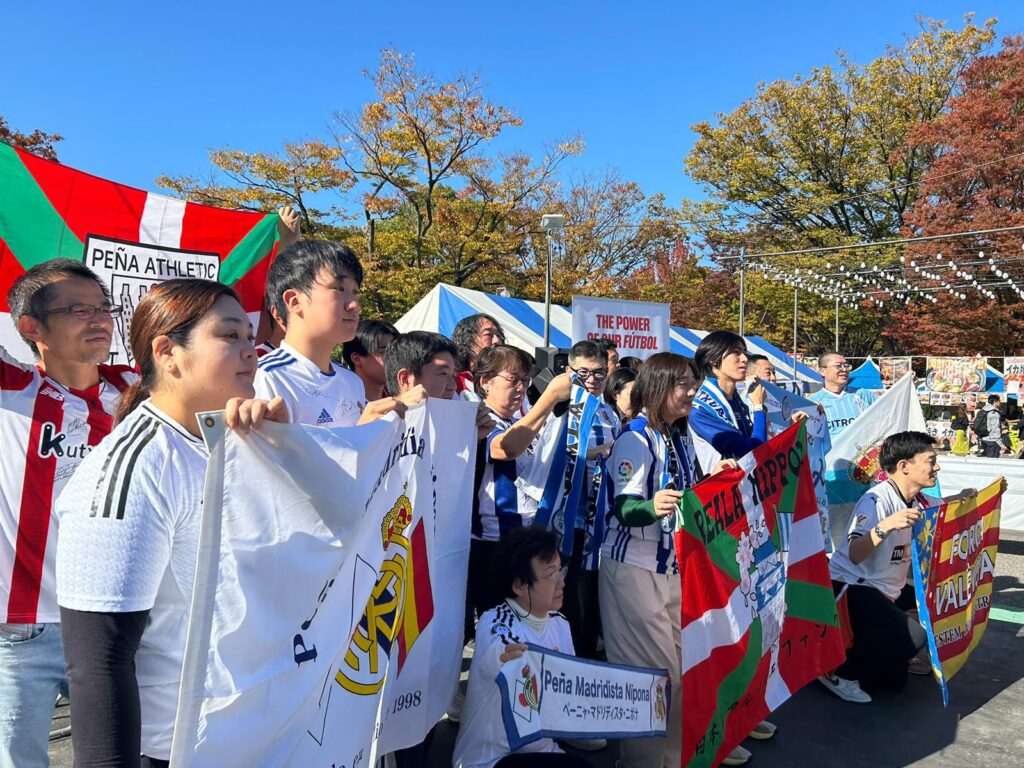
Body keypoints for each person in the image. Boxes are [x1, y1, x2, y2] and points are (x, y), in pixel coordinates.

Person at [54, 279, 288, 768]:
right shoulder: (132, 469)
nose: (251, 353)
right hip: (175, 748)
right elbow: (99, 663)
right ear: (168, 352)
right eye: (229, 336)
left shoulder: (233, 444)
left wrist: (289, 449)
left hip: (252, 733)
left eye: (250, 337)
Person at [0, 259, 136, 768]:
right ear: (32, 328)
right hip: (20, 633)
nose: (100, 319)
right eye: (79, 309)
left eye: (104, 307)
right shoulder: (11, 387)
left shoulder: (134, 391)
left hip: (115, 625)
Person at [600, 352, 747, 768]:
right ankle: (642, 761)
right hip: (634, 570)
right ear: (660, 386)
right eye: (683, 383)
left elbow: (698, 489)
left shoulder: (680, 436)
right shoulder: (636, 437)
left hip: (674, 569)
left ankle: (675, 757)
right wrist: (653, 505)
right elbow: (624, 510)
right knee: (654, 676)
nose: (691, 391)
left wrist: (725, 474)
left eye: (692, 383)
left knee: (681, 671)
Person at [822, 432, 984, 699]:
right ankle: (838, 672)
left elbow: (945, 505)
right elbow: (854, 553)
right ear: (904, 466)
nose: (937, 467)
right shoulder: (876, 500)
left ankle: (885, 651)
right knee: (913, 637)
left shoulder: (919, 500)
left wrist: (967, 496)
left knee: (895, 682)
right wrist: (885, 525)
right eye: (931, 461)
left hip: (885, 591)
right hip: (851, 587)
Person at [452, 527, 592, 768]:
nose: (561, 583)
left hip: (542, 751)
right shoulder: (494, 620)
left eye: (561, 571)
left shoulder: (560, 624)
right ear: (518, 585)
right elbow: (499, 650)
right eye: (551, 576)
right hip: (491, 759)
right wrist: (510, 658)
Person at [468, 347, 571, 624]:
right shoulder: (479, 420)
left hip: (524, 537)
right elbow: (507, 448)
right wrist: (548, 397)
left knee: (532, 622)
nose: (520, 388)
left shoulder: (516, 421)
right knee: (503, 625)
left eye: (525, 381)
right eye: (513, 379)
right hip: (493, 543)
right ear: (485, 381)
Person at [255, 240, 405, 427]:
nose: (354, 305)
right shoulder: (267, 377)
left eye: (355, 292)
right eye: (339, 289)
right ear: (294, 301)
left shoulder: (351, 382)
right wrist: (361, 435)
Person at [560, 341, 620, 663]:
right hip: (571, 516)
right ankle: (575, 655)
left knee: (596, 588)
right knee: (574, 592)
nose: (592, 379)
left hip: (603, 516)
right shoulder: (562, 409)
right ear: (569, 371)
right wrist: (595, 454)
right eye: (583, 372)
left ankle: (592, 649)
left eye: (598, 372)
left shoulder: (610, 412)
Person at [688, 331, 769, 473]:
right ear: (713, 360)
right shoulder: (701, 408)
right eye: (736, 352)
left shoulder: (735, 398)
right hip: (719, 491)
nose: (744, 358)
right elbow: (753, 451)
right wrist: (758, 407)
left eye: (744, 352)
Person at [808, 352, 877, 437]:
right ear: (822, 371)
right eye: (838, 366)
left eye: (846, 365)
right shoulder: (813, 402)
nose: (844, 369)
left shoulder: (863, 394)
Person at [341, 318, 398, 400]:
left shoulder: (398, 397)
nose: (395, 359)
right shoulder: (343, 406)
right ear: (357, 359)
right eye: (385, 352)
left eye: (396, 351)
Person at [452, 314, 505, 401]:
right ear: (467, 340)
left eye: (499, 335)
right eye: (488, 334)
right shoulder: (454, 382)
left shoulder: (510, 381)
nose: (497, 341)